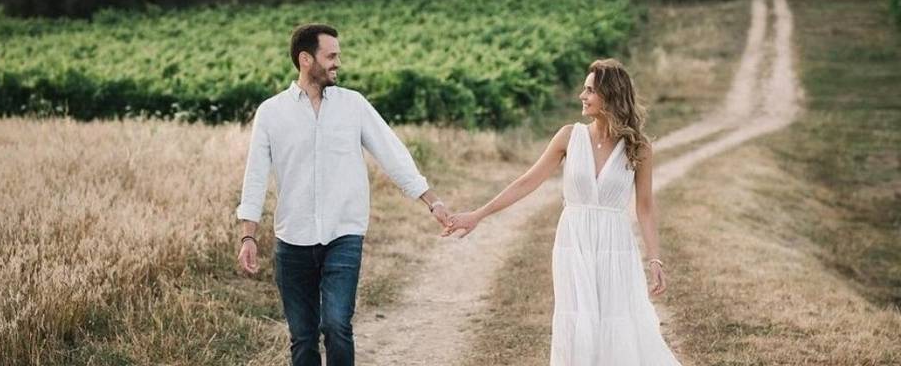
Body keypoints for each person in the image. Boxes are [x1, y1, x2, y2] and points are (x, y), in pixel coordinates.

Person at [236, 23, 451, 366]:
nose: (338, 62)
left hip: (343, 234)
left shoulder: (354, 105)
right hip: (292, 240)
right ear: (306, 59)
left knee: (336, 326)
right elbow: (256, 176)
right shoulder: (271, 113)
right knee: (303, 338)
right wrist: (248, 235)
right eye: (331, 55)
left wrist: (431, 201)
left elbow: (392, 153)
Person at [444, 58, 682, 365]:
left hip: (615, 246)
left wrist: (655, 258)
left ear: (610, 95)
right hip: (573, 242)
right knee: (577, 320)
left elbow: (646, 207)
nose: (582, 96)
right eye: (584, 89)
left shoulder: (638, 147)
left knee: (617, 322)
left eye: (590, 90)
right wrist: (479, 214)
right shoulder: (570, 136)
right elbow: (527, 181)